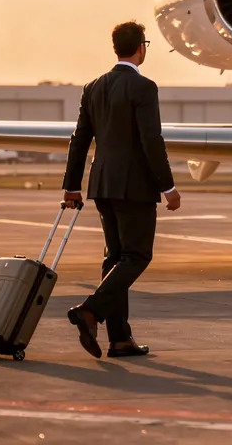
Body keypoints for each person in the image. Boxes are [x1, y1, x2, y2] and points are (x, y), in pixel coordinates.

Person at [61, 21, 180, 359]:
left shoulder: (93, 87)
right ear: (141, 47)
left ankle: (120, 339)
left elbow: (80, 139)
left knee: (115, 258)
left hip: (103, 185)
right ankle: (90, 311)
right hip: (135, 187)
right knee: (137, 256)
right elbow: (151, 140)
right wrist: (168, 186)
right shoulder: (143, 87)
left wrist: (72, 186)